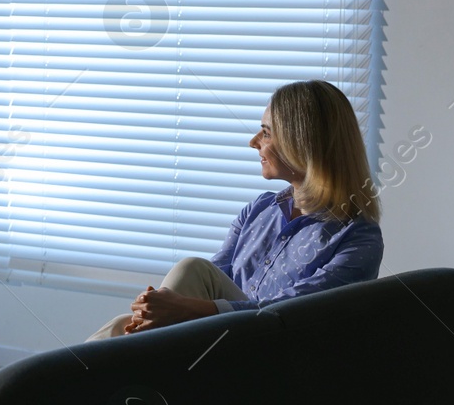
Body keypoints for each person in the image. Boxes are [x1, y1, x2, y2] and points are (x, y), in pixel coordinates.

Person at [87, 79, 383, 340]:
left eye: (266, 133)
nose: (253, 142)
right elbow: (214, 279)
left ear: (302, 143)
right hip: (220, 338)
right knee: (122, 327)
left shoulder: (358, 238)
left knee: (189, 272)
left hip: (275, 349)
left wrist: (189, 309)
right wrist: (163, 308)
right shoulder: (260, 209)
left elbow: (291, 314)